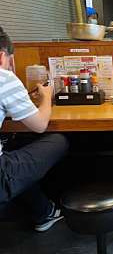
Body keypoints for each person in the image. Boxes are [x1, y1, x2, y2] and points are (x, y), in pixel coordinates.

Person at [0, 27, 69, 232]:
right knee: (59, 140)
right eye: (11, 62)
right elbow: (39, 125)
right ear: (2, 56)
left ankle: (43, 212)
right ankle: (45, 211)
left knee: (15, 150)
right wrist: (47, 96)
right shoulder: (4, 77)